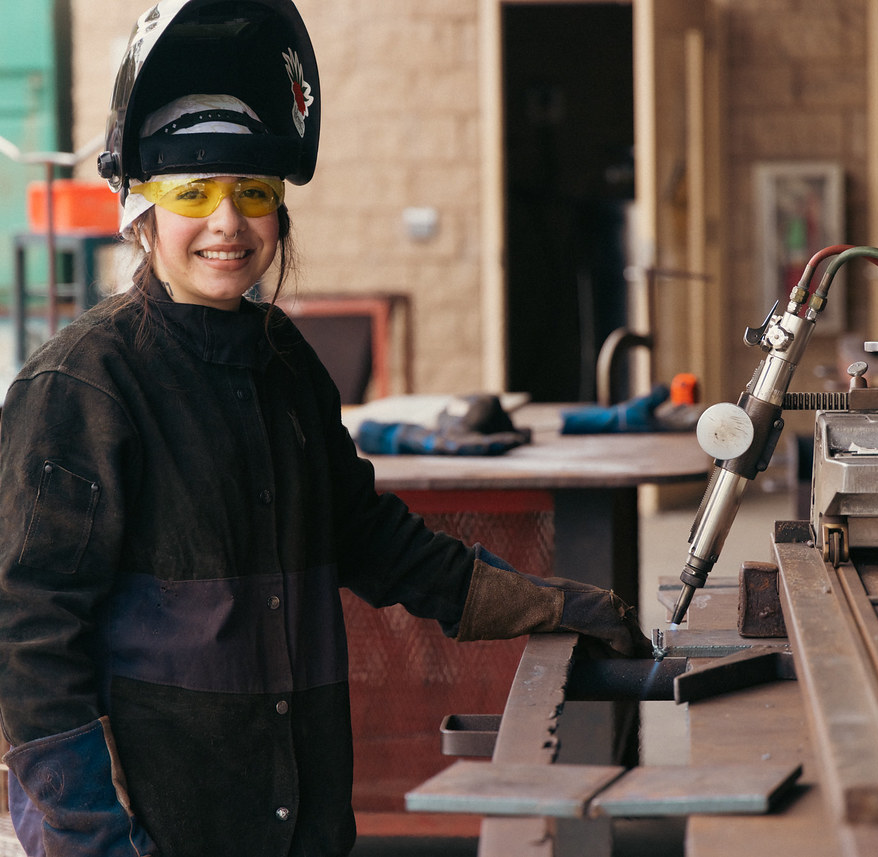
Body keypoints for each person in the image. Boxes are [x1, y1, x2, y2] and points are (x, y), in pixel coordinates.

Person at [0, 2, 647, 856]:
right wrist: (91, 839)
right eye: (194, 191)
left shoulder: (286, 365)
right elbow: (27, 636)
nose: (228, 221)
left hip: (299, 820)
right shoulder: (82, 386)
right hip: (158, 830)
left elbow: (366, 534)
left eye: (253, 191)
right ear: (142, 210)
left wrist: (538, 600)